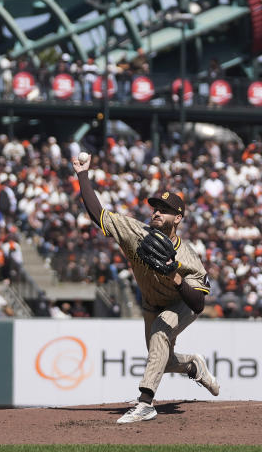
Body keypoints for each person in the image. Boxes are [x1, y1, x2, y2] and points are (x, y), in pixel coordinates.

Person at [72, 153, 219, 424]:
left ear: (178, 218)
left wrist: (176, 277)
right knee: (162, 357)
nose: (156, 212)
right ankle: (192, 365)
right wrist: (83, 174)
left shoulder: (188, 257)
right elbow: (99, 215)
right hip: (151, 303)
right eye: (155, 208)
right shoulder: (136, 233)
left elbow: (198, 303)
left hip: (181, 303)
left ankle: (145, 403)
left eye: (164, 210)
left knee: (162, 330)